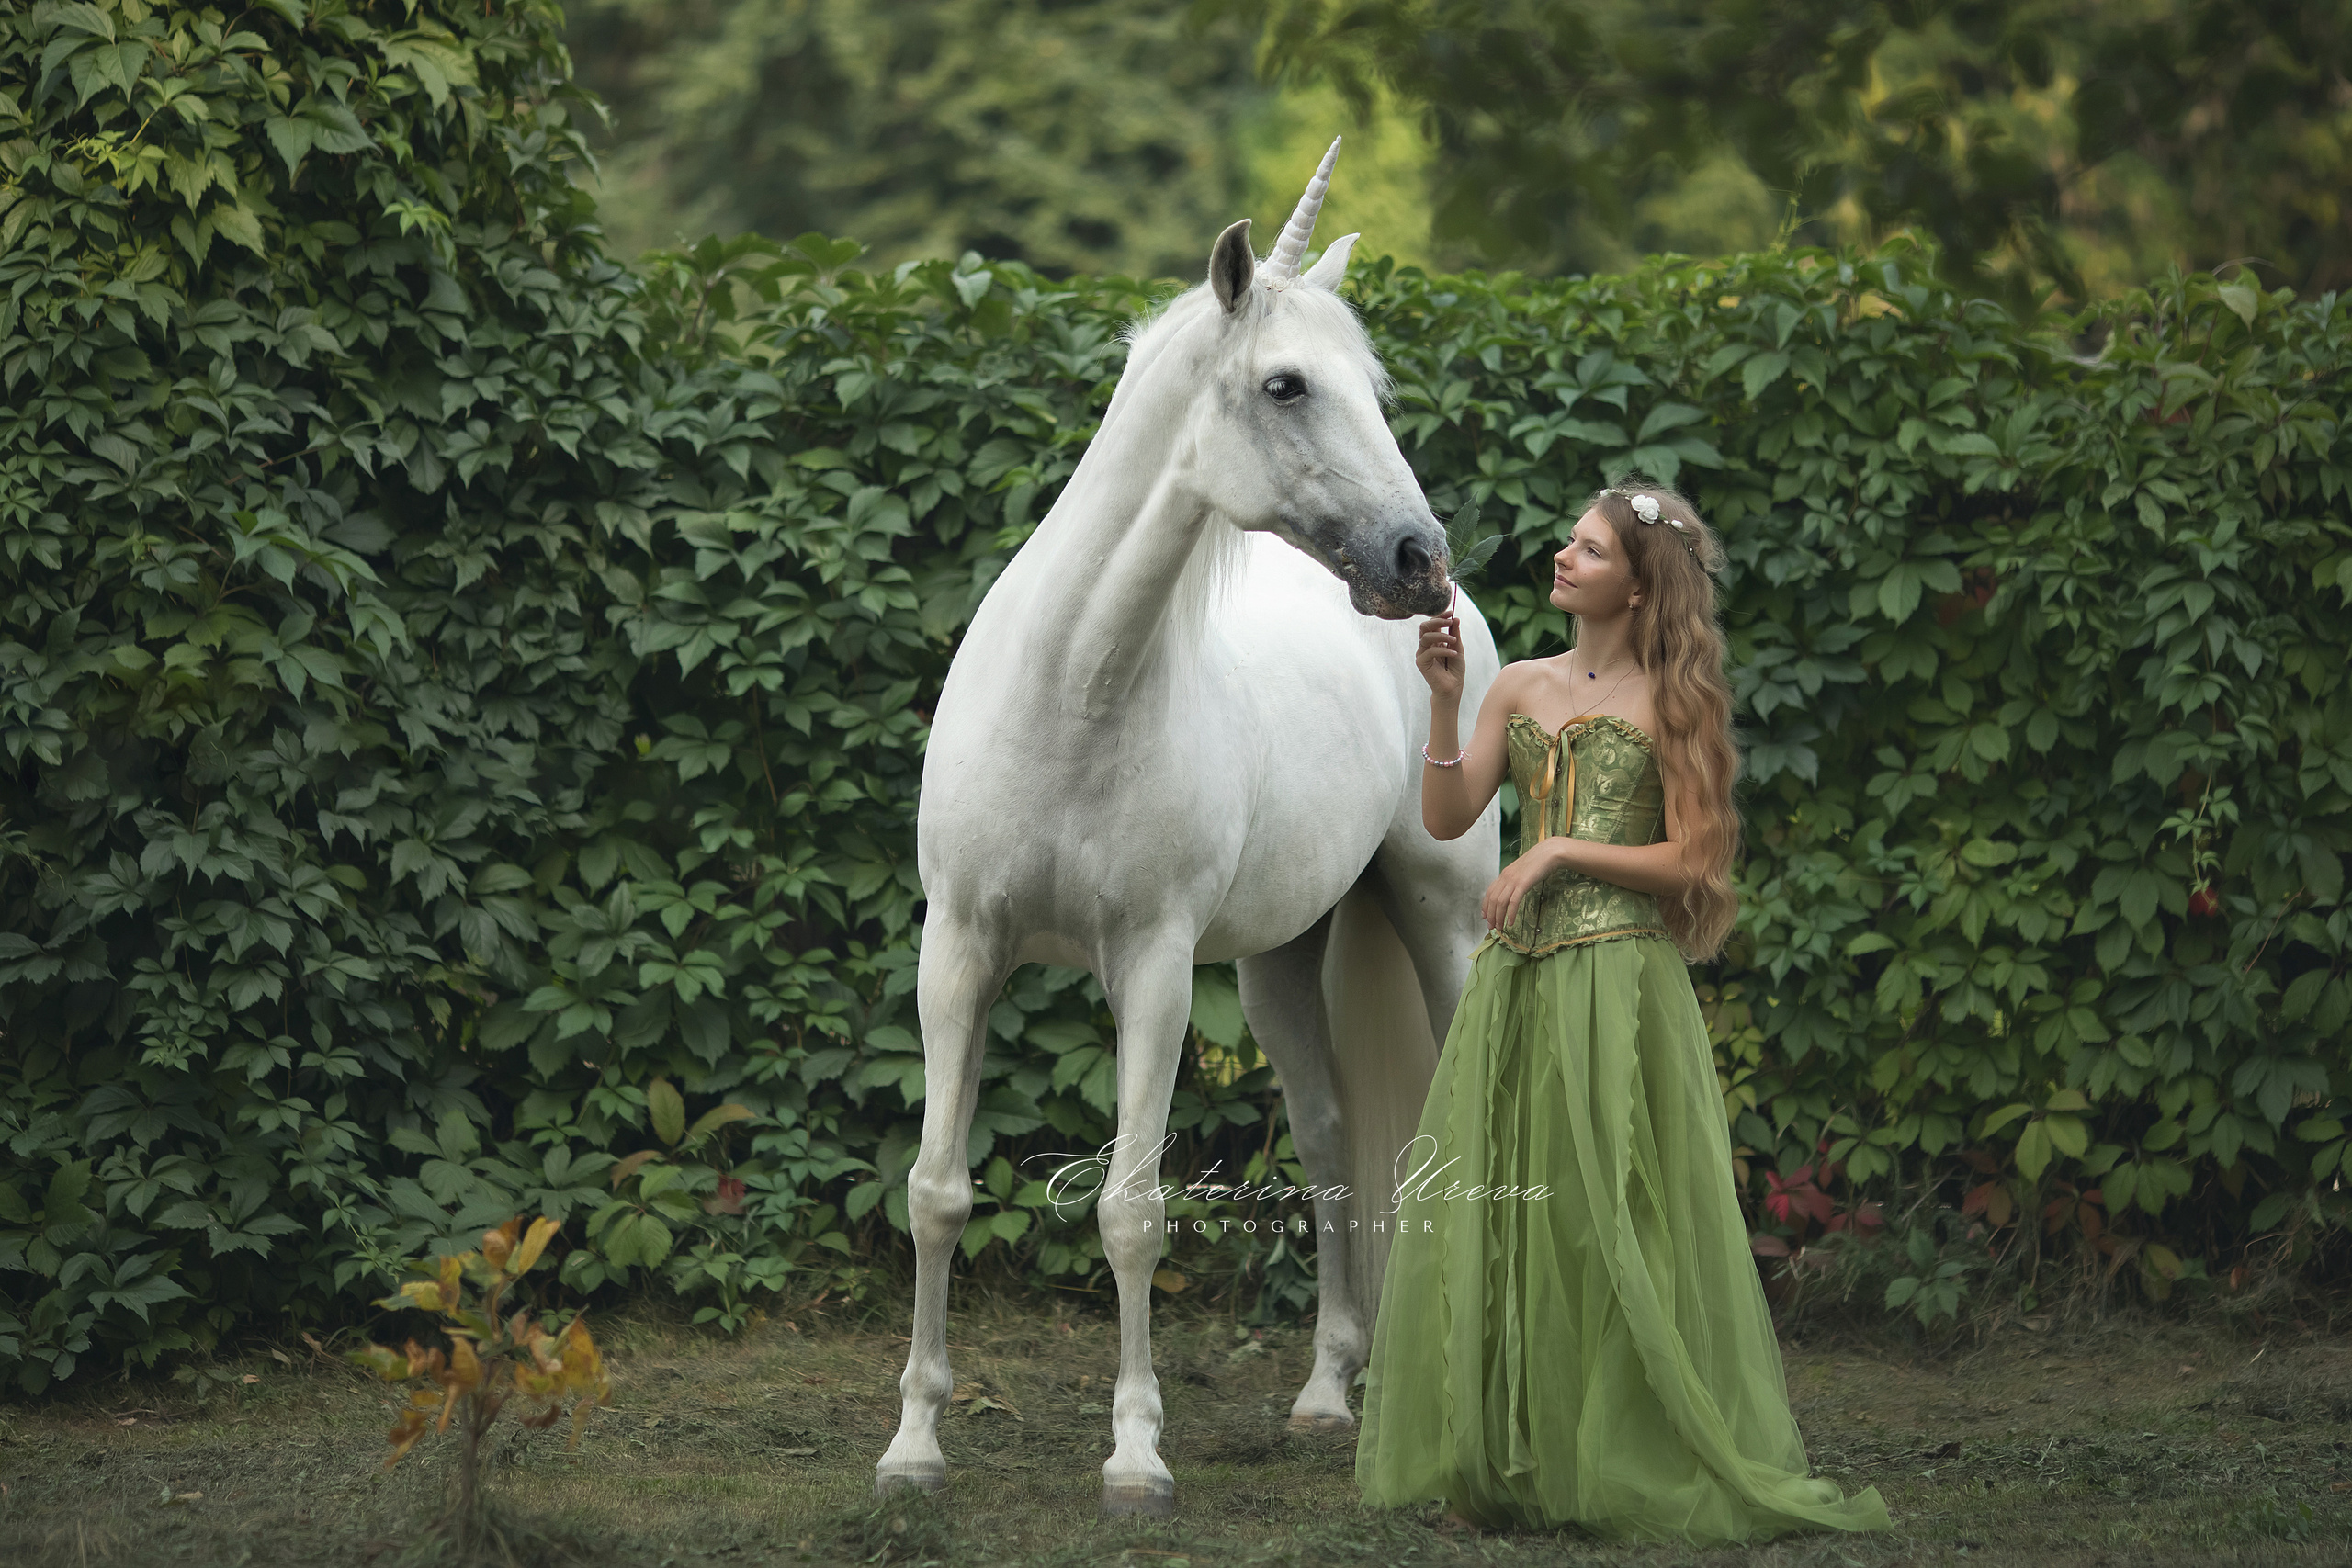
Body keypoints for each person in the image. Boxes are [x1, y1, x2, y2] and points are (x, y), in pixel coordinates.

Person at [1352, 483, 1893, 1543]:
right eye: (1569, 541)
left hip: (1618, 981)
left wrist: (1555, 847)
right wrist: (1445, 701)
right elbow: (1448, 814)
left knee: (1615, 1216)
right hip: (1518, 981)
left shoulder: (1670, 700)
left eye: (1588, 550)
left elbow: (1692, 857)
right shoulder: (1518, 684)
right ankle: (1493, 1466)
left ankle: (1617, 1454)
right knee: (1509, 1212)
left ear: (1639, 587)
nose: (1562, 557)